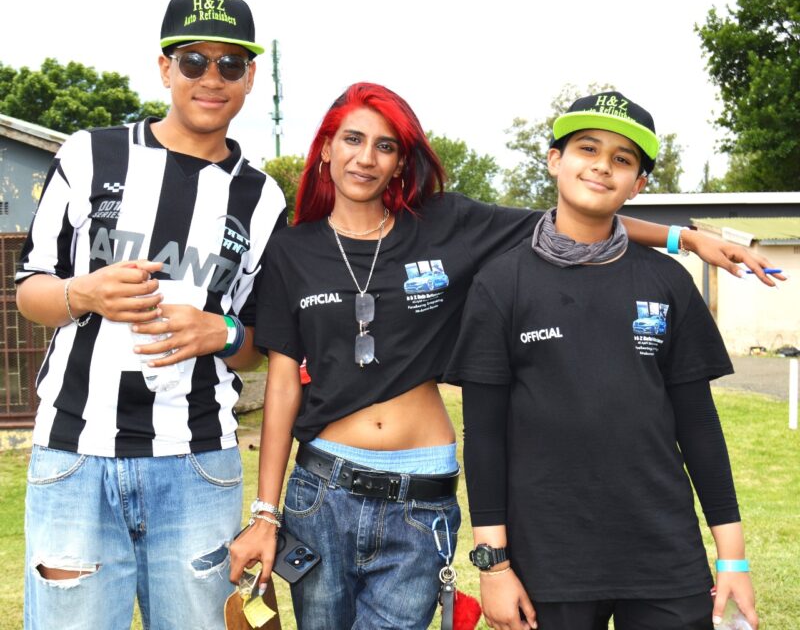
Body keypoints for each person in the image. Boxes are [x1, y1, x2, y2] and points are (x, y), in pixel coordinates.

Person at [228, 82, 776, 629]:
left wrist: (684, 240)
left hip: (422, 492)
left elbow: (570, 219)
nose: (366, 158)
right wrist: (265, 513)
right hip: (323, 488)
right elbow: (281, 381)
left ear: (401, 162)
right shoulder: (291, 250)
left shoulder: (444, 225)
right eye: (351, 139)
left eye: (386, 145)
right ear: (325, 147)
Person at [15, 0, 286, 629]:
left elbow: (259, 343)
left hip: (197, 462)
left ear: (250, 76)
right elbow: (30, 290)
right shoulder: (90, 155)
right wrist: (82, 294)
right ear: (166, 68)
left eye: (229, 64)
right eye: (194, 61)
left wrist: (218, 332)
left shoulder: (261, 195)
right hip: (74, 455)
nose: (210, 78)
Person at [446, 91, 761, 630]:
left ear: (638, 183)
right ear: (554, 160)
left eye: (623, 159)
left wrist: (732, 557)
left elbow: (700, 428)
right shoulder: (502, 283)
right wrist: (493, 565)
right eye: (587, 148)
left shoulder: (667, 282)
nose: (601, 165)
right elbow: (485, 436)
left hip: (663, 555)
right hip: (549, 558)